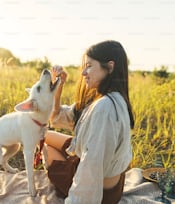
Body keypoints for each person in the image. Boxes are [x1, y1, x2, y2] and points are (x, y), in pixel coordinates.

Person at [43, 40, 135, 204]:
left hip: (102, 193)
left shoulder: (105, 107)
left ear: (110, 67)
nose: (84, 72)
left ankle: (63, 170)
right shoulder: (104, 97)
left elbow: (92, 166)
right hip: (109, 179)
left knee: (46, 148)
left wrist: (75, 200)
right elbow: (56, 118)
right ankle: (67, 162)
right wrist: (58, 87)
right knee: (44, 134)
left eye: (89, 66)